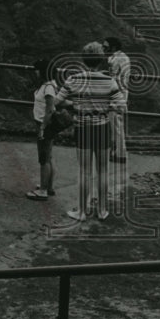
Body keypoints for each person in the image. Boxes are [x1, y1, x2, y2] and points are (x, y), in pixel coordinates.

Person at [55, 41, 127, 221]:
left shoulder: (74, 79)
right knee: (103, 170)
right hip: (102, 128)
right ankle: (102, 210)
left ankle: (81, 211)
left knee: (84, 171)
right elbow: (122, 107)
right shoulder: (109, 81)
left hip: (82, 128)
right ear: (101, 59)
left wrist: (74, 104)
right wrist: (104, 107)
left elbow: (56, 102)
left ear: (84, 59)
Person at [26, 59, 59, 200]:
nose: (35, 72)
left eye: (37, 69)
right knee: (48, 156)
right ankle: (48, 186)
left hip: (44, 124)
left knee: (43, 158)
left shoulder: (48, 87)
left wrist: (42, 128)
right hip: (44, 124)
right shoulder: (47, 85)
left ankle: (43, 191)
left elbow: (50, 109)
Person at [103, 37, 130, 164]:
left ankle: (120, 154)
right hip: (117, 95)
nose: (104, 49)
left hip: (117, 96)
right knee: (115, 125)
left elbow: (116, 78)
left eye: (106, 46)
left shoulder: (118, 58)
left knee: (117, 126)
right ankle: (116, 152)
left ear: (113, 47)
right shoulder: (118, 57)